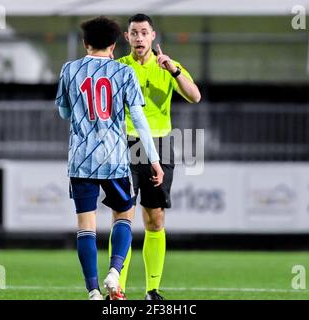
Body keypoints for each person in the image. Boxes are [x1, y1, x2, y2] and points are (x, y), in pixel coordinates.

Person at [55, 16, 164, 300]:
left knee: (85, 226)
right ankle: (115, 272)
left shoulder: (69, 70)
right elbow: (139, 120)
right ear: (114, 45)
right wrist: (153, 159)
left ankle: (92, 291)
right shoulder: (124, 73)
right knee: (124, 215)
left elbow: (64, 113)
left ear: (85, 43)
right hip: (114, 158)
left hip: (81, 159)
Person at [109, 13, 201, 300]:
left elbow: (195, 96)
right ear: (127, 37)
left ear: (152, 36)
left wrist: (173, 69)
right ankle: (117, 289)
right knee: (122, 216)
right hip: (124, 143)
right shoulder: (117, 68)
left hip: (160, 146)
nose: (138, 38)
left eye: (143, 32)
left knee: (155, 220)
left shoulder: (168, 67)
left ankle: (152, 290)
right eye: (134, 33)